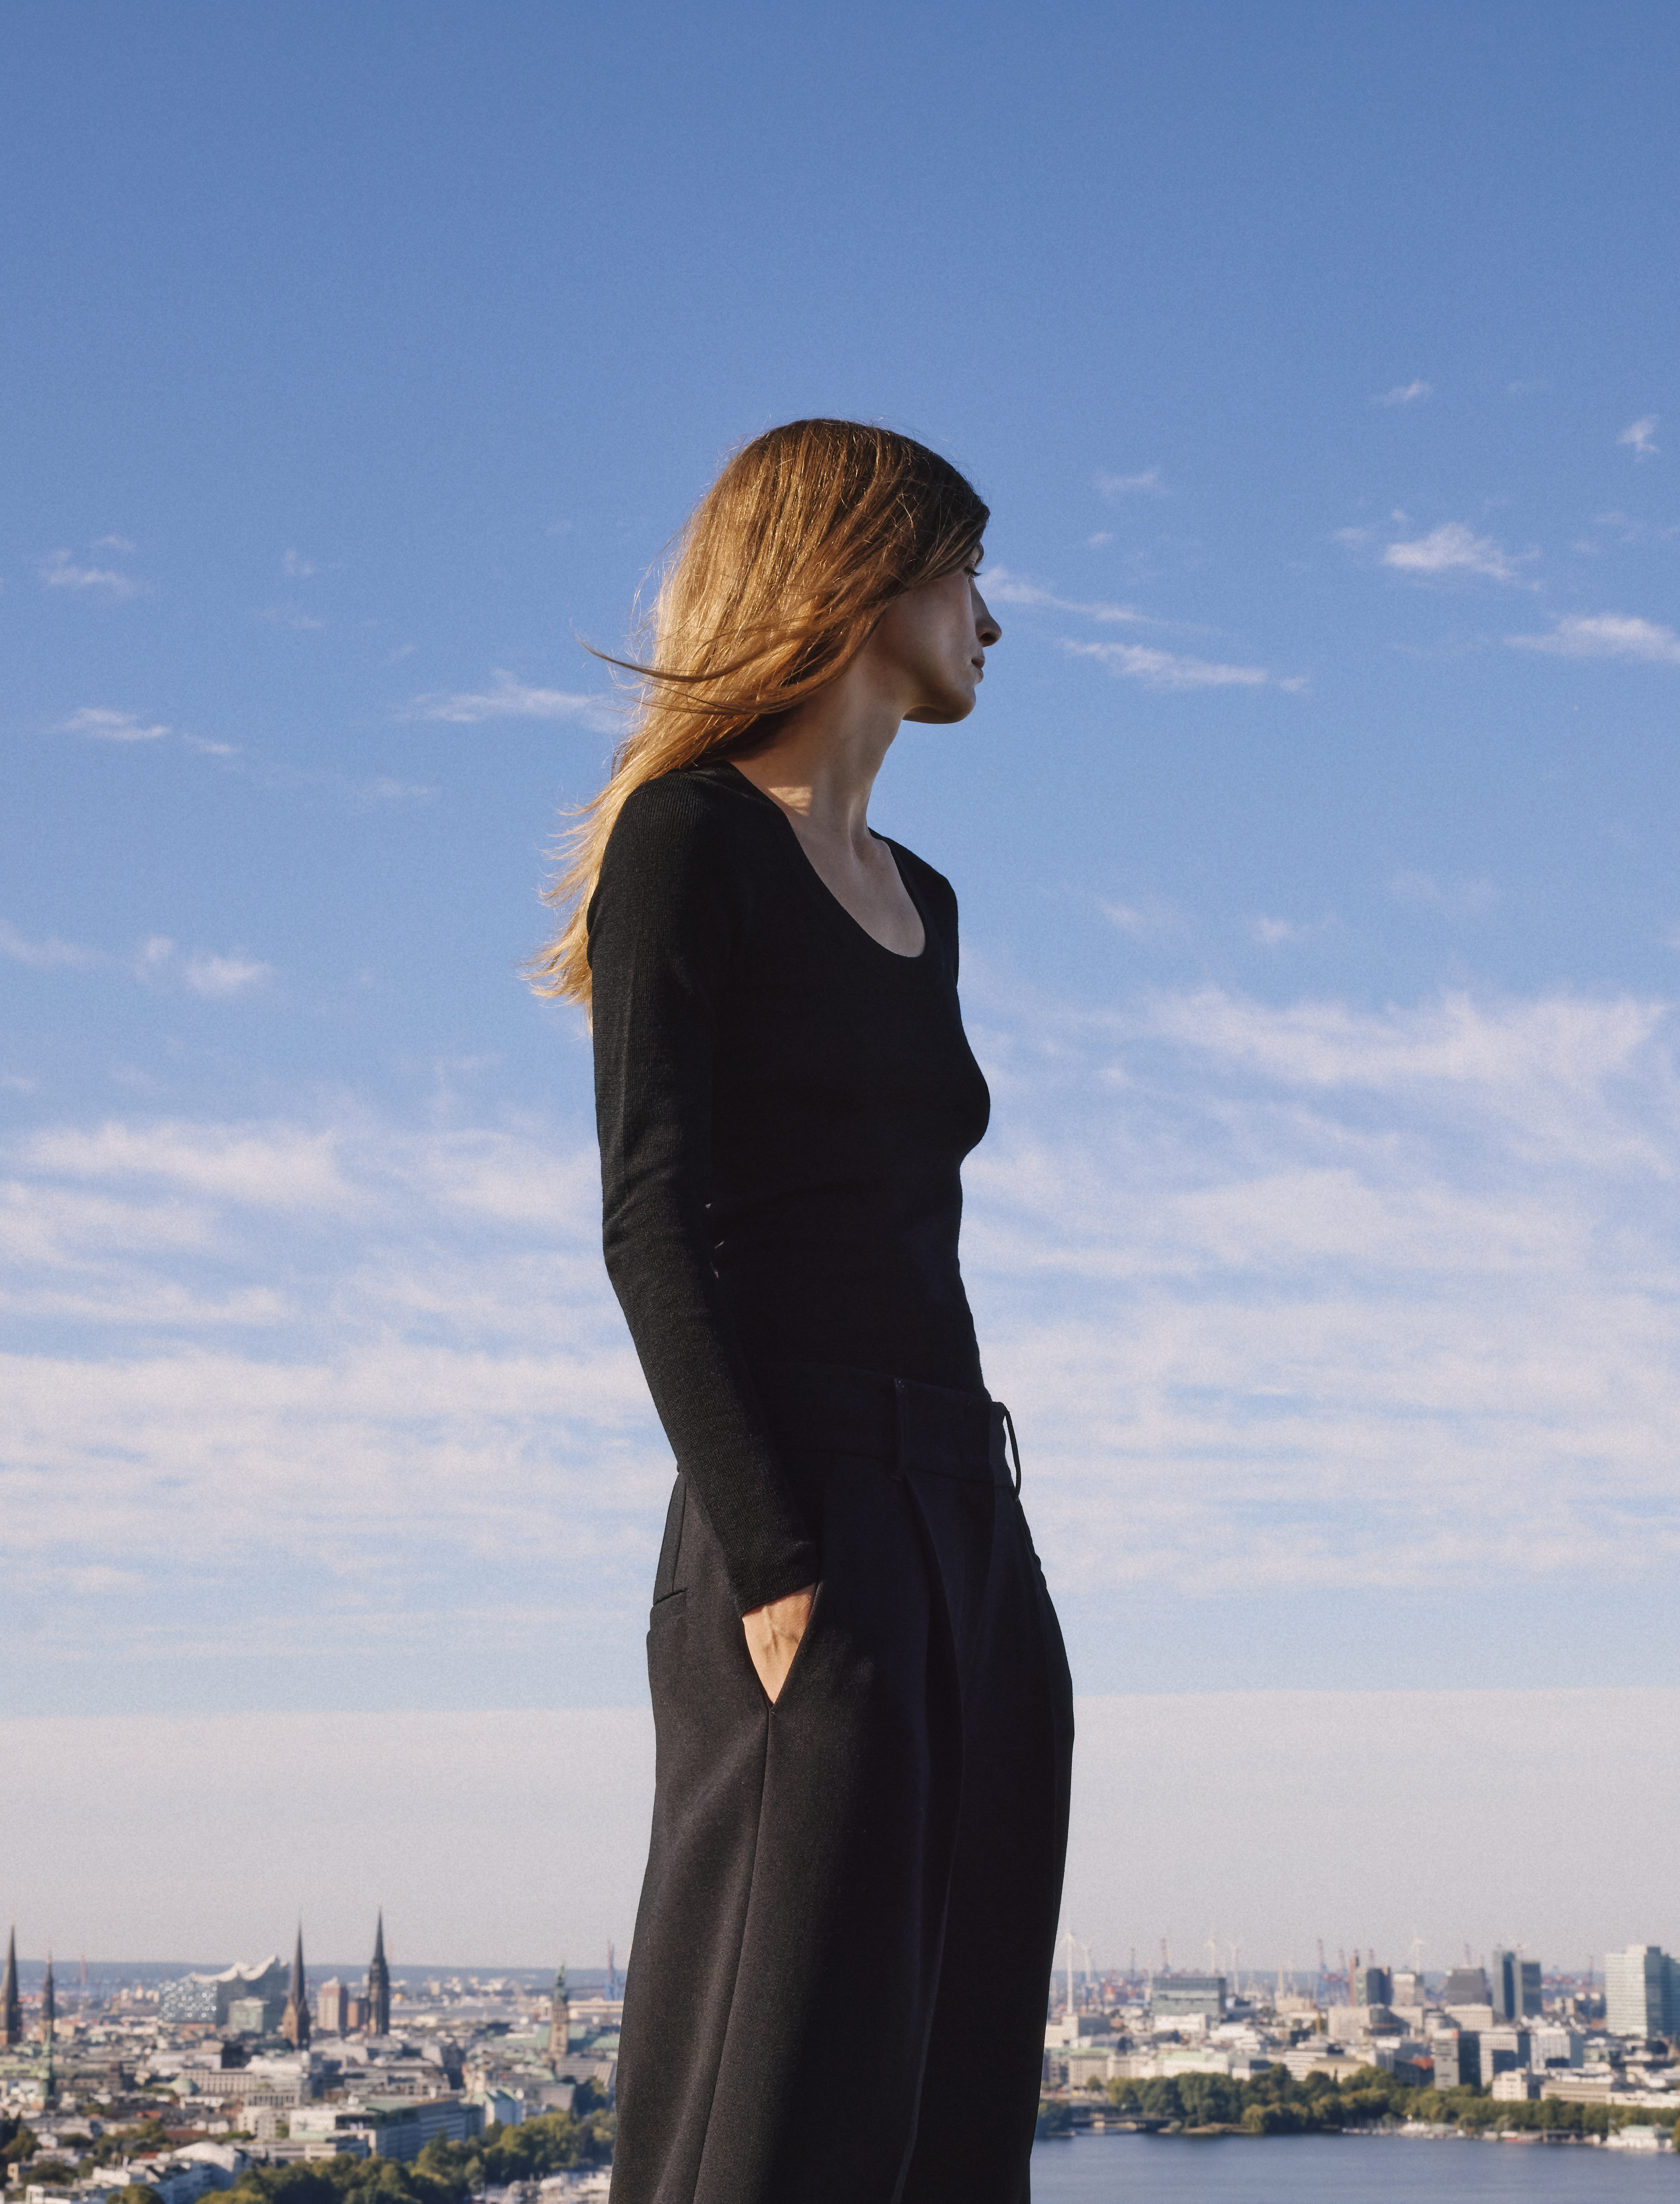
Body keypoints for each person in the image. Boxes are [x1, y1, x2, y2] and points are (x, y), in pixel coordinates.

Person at [535, 420, 1074, 2204]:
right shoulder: (684, 842)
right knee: (766, 2110)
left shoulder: (925, 898)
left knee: (952, 2090)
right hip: (805, 1511)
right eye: (966, 569)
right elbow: (646, 1217)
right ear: (859, 575)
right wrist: (772, 1559)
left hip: (969, 1517)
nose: (990, 620)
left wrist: (973, 1550)